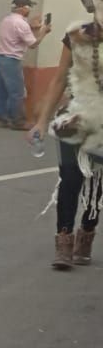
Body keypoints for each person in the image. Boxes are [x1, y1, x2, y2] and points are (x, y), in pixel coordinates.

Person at [27, 16, 103, 269]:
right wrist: (41, 121)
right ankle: (64, 240)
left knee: (97, 181)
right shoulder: (77, 36)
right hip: (75, 115)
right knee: (70, 176)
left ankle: (87, 233)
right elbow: (59, 79)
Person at [0, 0, 49, 128]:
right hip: (11, 61)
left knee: (1, 90)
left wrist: (32, 27)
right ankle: (17, 121)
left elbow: (17, 33)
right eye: (29, 7)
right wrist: (44, 32)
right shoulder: (21, 24)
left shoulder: (6, 20)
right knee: (16, 92)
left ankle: (1, 116)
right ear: (24, 8)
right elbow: (33, 44)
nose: (30, 11)